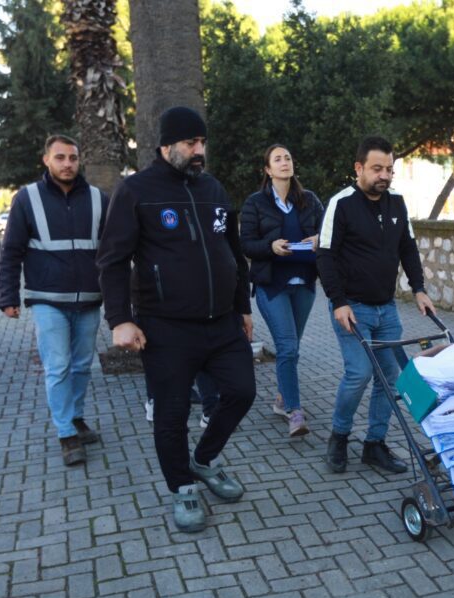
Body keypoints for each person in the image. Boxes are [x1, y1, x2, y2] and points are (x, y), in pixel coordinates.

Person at [97, 106, 255, 534]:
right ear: (166, 145)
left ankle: (203, 459)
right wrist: (119, 319)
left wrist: (243, 307)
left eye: (202, 142)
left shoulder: (213, 189)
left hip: (221, 322)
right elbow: (113, 260)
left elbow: (233, 252)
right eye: (190, 142)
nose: (199, 150)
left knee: (242, 391)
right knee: (171, 413)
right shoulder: (136, 191)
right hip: (165, 327)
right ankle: (182, 486)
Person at [316, 136, 436, 474]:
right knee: (359, 373)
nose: (384, 176)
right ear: (359, 168)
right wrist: (338, 302)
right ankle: (339, 436)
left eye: (389, 169)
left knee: (390, 376)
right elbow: (325, 255)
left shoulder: (397, 203)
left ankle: (374, 444)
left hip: (387, 309)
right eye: (377, 169)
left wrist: (419, 289)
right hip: (352, 309)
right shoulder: (341, 203)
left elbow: (408, 248)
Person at [0, 134, 109, 467]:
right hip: (47, 300)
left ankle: (75, 417)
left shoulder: (99, 199)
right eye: (60, 157)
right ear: (46, 160)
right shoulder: (27, 198)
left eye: (73, 158)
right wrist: (7, 296)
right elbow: (11, 251)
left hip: (89, 299)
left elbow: (113, 252)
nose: (67, 164)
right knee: (58, 367)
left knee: (82, 366)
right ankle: (66, 433)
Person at [239, 144, 324, 437]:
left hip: (305, 284)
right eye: (278, 159)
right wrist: (270, 246)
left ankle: (281, 398)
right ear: (268, 169)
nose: (285, 162)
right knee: (287, 347)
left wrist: (318, 239)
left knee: (292, 348)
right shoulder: (255, 203)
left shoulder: (310, 200)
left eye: (288, 157)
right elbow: (245, 244)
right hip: (272, 285)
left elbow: (329, 233)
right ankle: (294, 411)